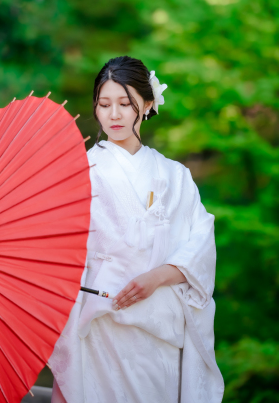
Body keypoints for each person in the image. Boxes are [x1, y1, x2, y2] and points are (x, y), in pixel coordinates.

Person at [49, 56, 224, 403]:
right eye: (104, 104)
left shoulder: (176, 176)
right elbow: (60, 257)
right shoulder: (79, 175)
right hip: (101, 330)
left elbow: (201, 244)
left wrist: (157, 276)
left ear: (146, 104)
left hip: (161, 334)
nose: (114, 114)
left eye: (125, 103)